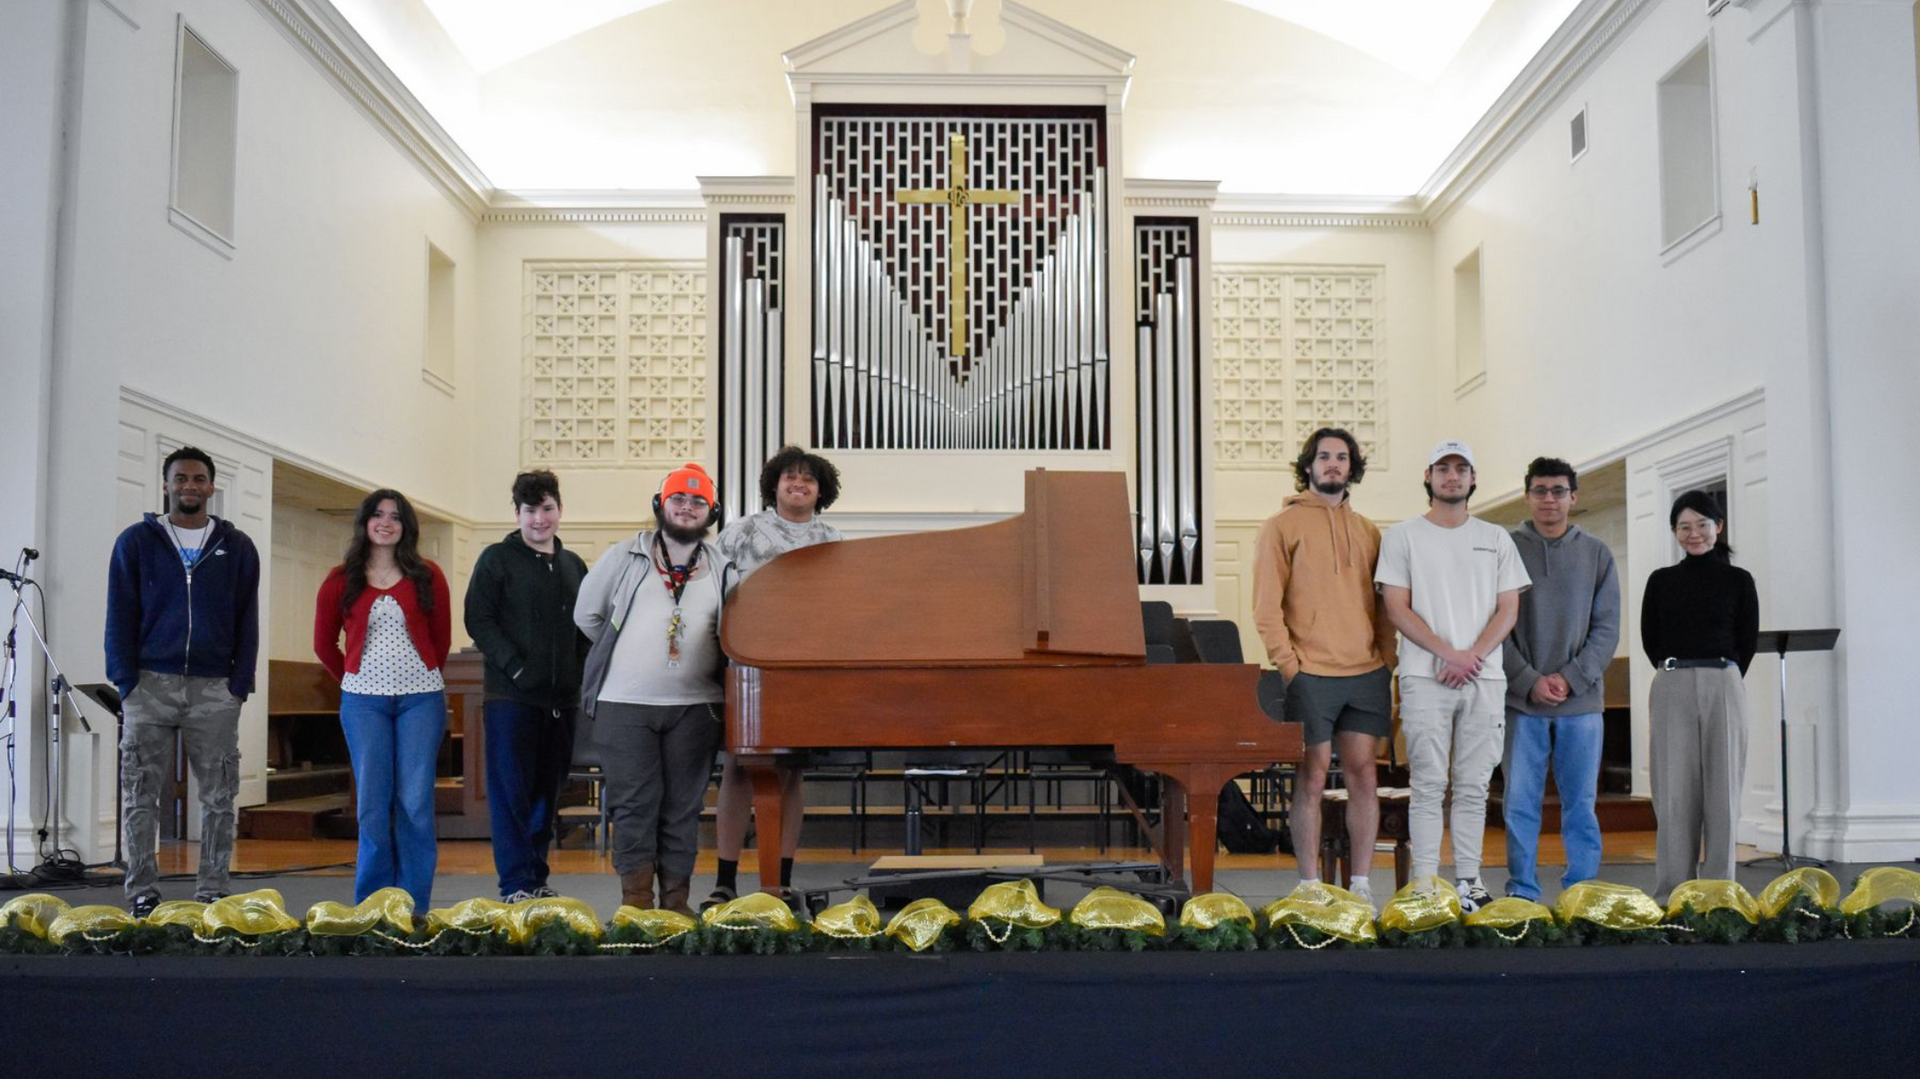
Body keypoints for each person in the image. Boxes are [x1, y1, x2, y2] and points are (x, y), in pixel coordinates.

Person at [1375, 439, 1530, 912]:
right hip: (1425, 675)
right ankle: (1425, 882)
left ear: (1472, 479)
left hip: (1483, 678)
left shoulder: (1496, 538)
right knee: (1427, 783)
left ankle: (1468, 881)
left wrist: (1473, 657)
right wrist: (1447, 653)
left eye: (1461, 468)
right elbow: (1396, 607)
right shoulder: (1401, 536)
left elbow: (1509, 608)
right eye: (1443, 468)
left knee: (1473, 785)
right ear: (1428, 476)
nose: (1452, 476)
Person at [106, 446, 261, 918]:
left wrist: (239, 684)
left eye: (198, 479)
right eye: (180, 478)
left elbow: (247, 618)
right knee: (140, 793)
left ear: (212, 487)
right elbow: (119, 613)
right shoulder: (136, 542)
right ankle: (142, 891)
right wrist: (124, 679)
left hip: (215, 688)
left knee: (219, 795)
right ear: (166, 484)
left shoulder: (236, 547)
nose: (189, 486)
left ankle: (213, 887)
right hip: (149, 684)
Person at [576, 463, 730, 916]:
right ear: (661, 505)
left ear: (711, 512)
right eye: (678, 498)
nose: (687, 507)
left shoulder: (722, 567)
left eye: (698, 501)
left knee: (683, 809)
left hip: (697, 707)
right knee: (634, 806)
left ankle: (677, 906)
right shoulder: (624, 556)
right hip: (624, 704)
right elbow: (586, 616)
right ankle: (637, 907)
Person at [1252, 428, 1396, 905]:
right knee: (1311, 776)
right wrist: (1290, 667)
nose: (1333, 464)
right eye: (1324, 457)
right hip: (1310, 673)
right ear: (1308, 465)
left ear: (1352, 467)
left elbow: (1384, 607)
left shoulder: (1370, 531)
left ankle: (1359, 886)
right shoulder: (1281, 526)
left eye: (1342, 457)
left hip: (1365, 671)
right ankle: (1310, 885)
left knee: (1364, 776)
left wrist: (1386, 660)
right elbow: (1266, 607)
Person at [705, 446, 843, 909]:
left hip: (804, 671)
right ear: (775, 485)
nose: (798, 484)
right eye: (790, 477)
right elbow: (713, 594)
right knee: (739, 771)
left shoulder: (831, 539)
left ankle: (779, 878)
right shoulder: (742, 532)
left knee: (791, 776)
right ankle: (725, 879)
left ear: (820, 490)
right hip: (747, 666)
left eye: (808, 478)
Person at [314, 489, 451, 909]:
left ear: (406, 526)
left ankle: (414, 905)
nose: (386, 522)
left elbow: (442, 639)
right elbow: (323, 644)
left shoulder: (428, 574)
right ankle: (372, 906)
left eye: (395, 516)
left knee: (414, 802)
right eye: (377, 515)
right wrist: (353, 680)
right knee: (372, 803)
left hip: (420, 702)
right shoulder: (341, 579)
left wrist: (420, 676)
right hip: (363, 704)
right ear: (365, 523)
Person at [465, 470, 589, 903]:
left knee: (546, 796)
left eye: (547, 508)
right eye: (530, 510)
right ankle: (515, 883)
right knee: (511, 797)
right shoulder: (496, 559)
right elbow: (479, 620)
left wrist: (578, 674)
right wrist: (516, 668)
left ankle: (536, 879)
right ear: (517, 513)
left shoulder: (574, 565)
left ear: (560, 510)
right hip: (511, 698)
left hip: (562, 702)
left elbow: (586, 628)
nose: (540, 519)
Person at [1500, 457, 1621, 902]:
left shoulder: (1597, 555)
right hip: (1522, 701)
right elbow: (1494, 626)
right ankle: (1522, 892)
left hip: (1582, 703)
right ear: (1528, 495)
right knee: (1519, 804)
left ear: (1574, 496)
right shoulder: (1505, 549)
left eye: (1558, 491)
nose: (1549, 499)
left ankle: (1581, 891)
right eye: (1540, 490)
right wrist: (1527, 679)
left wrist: (1570, 679)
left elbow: (1606, 629)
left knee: (1581, 805)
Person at [1641, 489, 1758, 901]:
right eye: (1684, 526)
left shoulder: (1739, 580)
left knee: (1723, 792)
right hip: (1672, 682)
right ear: (1675, 532)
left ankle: (1719, 891)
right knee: (1673, 792)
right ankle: (1672, 890)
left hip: (1724, 682)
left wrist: (1717, 677)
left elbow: (1747, 639)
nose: (1694, 534)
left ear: (1718, 527)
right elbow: (1651, 639)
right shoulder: (1661, 581)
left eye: (1702, 525)